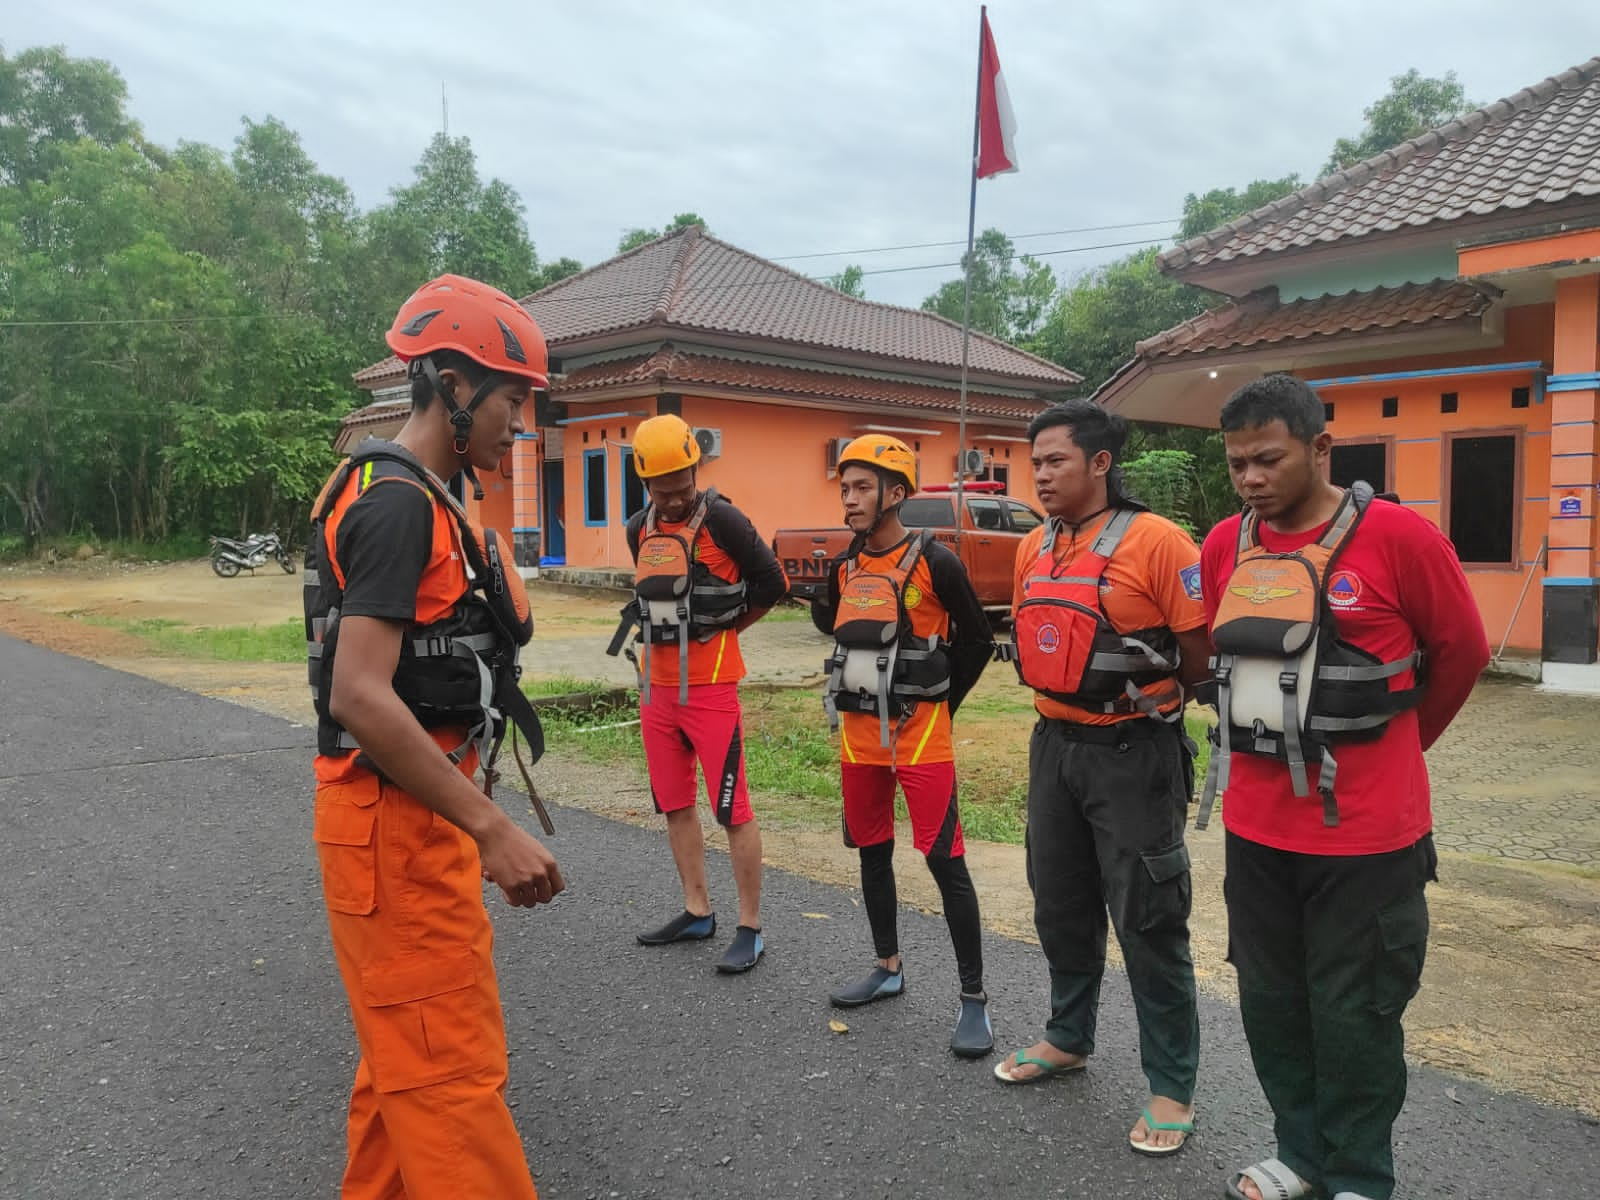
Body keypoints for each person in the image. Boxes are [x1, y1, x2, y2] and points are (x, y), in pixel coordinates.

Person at [305, 275, 564, 1200]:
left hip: (417, 818)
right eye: (509, 400)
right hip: (395, 826)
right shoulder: (397, 504)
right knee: (450, 1077)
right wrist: (493, 830)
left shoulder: (431, 494)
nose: (518, 423)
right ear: (450, 384)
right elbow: (362, 696)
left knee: (399, 1066)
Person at [1200, 374, 1489, 1200]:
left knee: (1356, 1011)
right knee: (1272, 1001)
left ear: (1321, 448)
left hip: (1369, 837)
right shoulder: (1227, 544)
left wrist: (1399, 747)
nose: (1251, 478)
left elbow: (1461, 653)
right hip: (1257, 828)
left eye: (1268, 459)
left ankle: (1360, 1174)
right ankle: (1300, 1154)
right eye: (1237, 464)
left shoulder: (1400, 539)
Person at [994, 399, 1212, 1159]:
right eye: (1036, 463)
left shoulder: (1159, 543)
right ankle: (1067, 1037)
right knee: (1060, 901)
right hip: (1053, 744)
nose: (1042, 475)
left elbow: (1199, 653)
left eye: (1055, 461)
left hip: (1133, 754)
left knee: (1150, 919)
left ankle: (1171, 1085)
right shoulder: (1034, 546)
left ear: (1100, 463)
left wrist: (1151, 703)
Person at [810, 434, 997, 1057]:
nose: (850, 498)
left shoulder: (936, 563)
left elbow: (975, 640)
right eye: (845, 488)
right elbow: (829, 621)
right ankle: (887, 966)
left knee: (945, 862)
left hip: (921, 740)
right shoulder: (845, 566)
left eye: (863, 487)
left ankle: (973, 999)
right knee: (871, 851)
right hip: (859, 740)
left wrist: (944, 704)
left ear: (897, 492)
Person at [611, 413, 787, 973]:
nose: (673, 501)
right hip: (655, 689)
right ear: (645, 484)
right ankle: (696, 909)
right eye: (662, 493)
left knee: (732, 807)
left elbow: (772, 584)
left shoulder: (725, 521)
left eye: (682, 488)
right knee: (675, 804)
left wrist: (728, 628)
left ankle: (750, 926)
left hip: (712, 688)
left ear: (696, 470)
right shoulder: (638, 526)